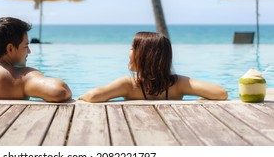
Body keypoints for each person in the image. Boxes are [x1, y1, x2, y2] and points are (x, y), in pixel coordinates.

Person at [78, 32, 228, 103]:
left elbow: (93, 96)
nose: (129, 52)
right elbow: (220, 93)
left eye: (132, 48)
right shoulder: (179, 84)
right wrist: (201, 97)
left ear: (143, 56)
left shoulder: (129, 84)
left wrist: (80, 97)